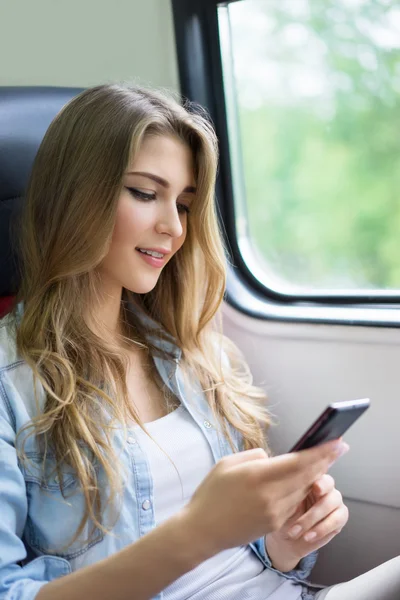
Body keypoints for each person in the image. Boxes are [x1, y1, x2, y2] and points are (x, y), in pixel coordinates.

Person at [0, 83, 398, 600]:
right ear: (73, 196)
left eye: (184, 204)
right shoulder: (13, 384)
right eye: (145, 193)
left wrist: (283, 540)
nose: (172, 227)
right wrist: (197, 533)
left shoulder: (186, 349)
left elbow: (251, 559)